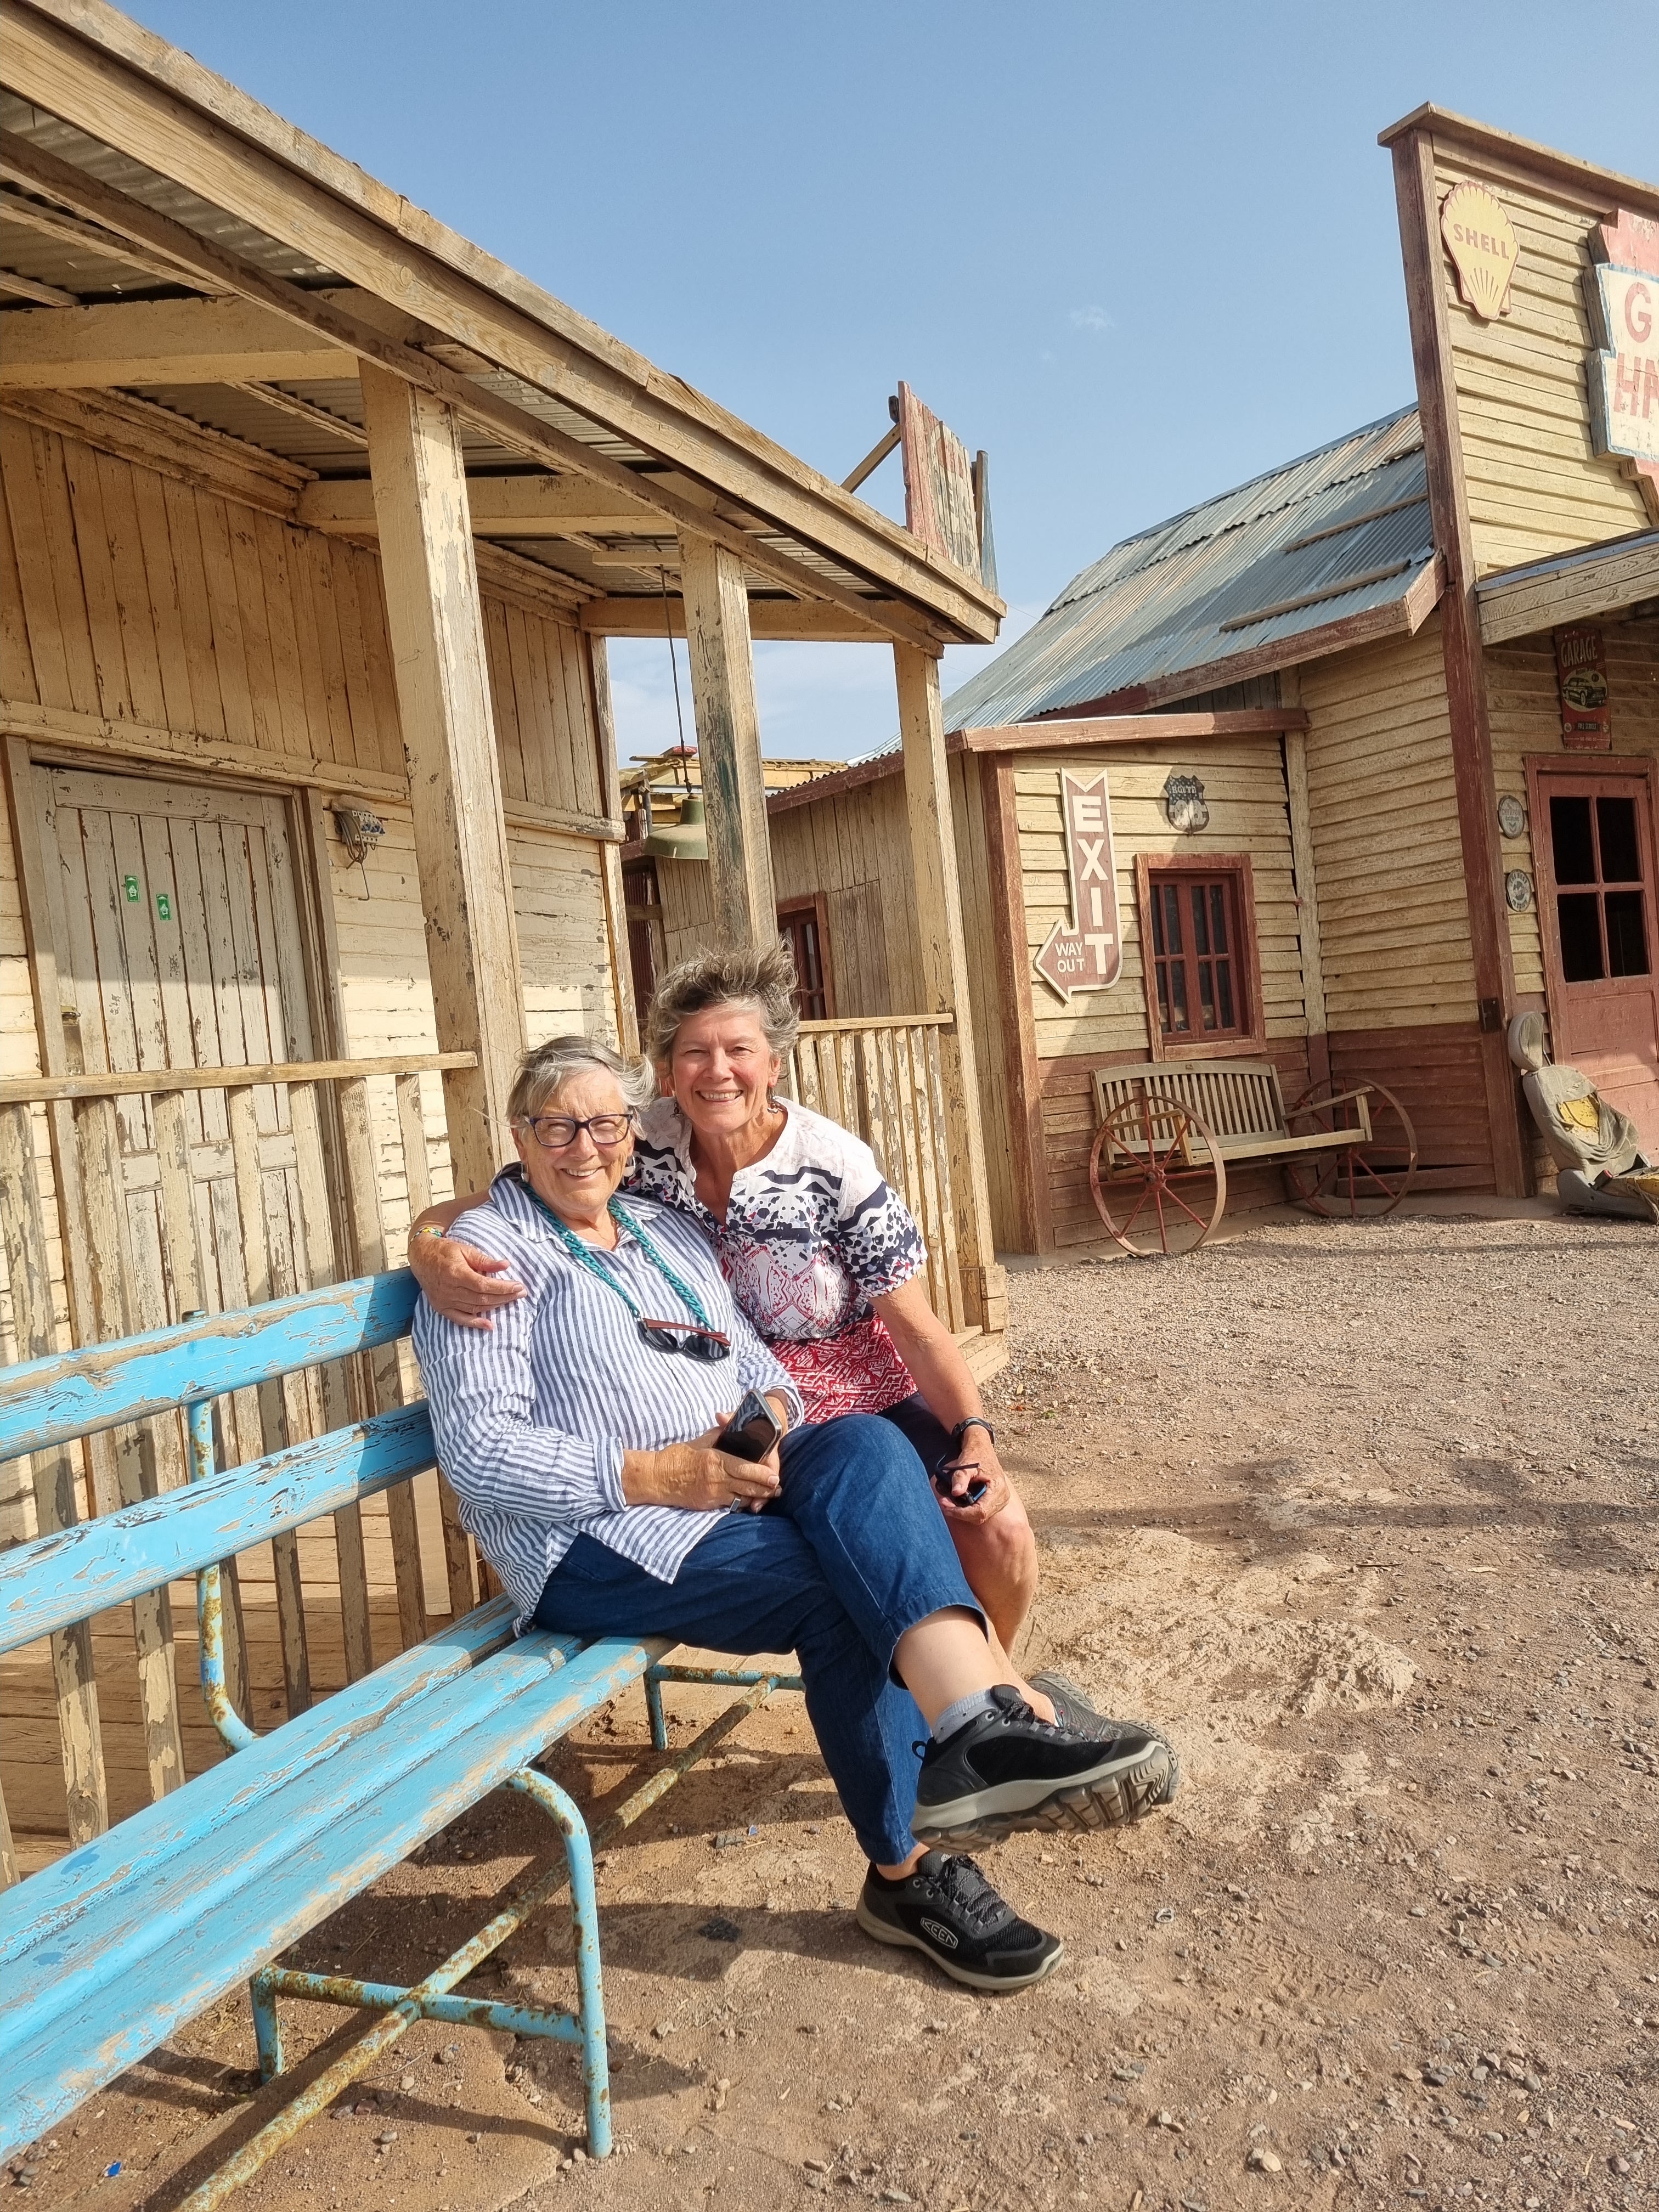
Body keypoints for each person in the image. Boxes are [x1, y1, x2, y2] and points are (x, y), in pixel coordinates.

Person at [411, 1036, 1173, 1992]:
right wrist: (655, 1475)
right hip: (596, 1539)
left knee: (863, 1442)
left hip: (720, 1485)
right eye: (556, 1125)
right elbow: (481, 1456)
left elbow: (763, 1371)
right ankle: (906, 1872)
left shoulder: (663, 1231)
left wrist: (766, 1427)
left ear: (628, 1133)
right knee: (836, 1588)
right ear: (519, 1137)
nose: (584, 1146)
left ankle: (971, 1726)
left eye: (604, 1123)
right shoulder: (486, 1259)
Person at [411, 944, 1169, 1763]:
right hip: (740, 1415)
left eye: (739, 1051)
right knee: (855, 1569)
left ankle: (997, 1698)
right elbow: (517, 1189)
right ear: (666, 1074)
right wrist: (427, 1245)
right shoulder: (642, 1139)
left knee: (997, 1526)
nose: (717, 1072)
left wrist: (976, 1434)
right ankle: (985, 1731)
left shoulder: (830, 1166)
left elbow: (915, 1326)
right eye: (694, 1053)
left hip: (843, 1401)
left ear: (775, 1063)